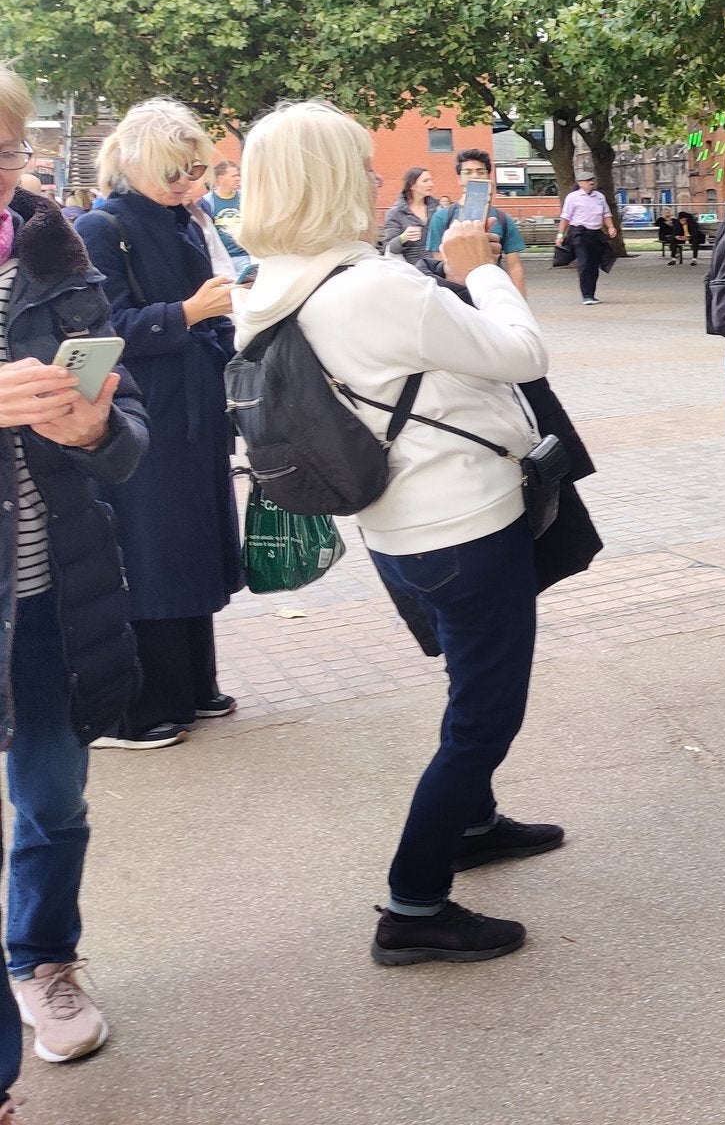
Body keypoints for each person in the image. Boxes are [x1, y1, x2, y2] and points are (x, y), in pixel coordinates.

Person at [233, 100, 560, 967]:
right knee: (483, 716)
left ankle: (474, 822)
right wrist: (479, 268)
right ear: (331, 182)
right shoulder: (373, 286)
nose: (379, 178)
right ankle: (414, 905)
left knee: (466, 680)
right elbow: (524, 352)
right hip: (464, 525)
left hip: (396, 531)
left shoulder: (266, 285)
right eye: (361, 166)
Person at [0, 66, 149, 1112]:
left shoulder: (58, 248)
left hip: (51, 593)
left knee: (55, 798)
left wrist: (94, 425)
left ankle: (43, 958)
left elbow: (124, 415)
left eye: (4, 152)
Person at [76, 100, 243, 751]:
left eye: (194, 168)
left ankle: (193, 685)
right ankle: (140, 705)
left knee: (193, 542)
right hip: (147, 410)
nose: (186, 181)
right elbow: (97, 329)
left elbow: (211, 305)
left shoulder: (185, 219)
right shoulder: (102, 225)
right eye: (174, 169)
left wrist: (218, 326)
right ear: (136, 161)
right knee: (152, 551)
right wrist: (186, 314)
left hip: (194, 406)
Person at [424, 149, 528, 297]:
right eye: (468, 172)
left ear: (488, 176)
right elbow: (439, 260)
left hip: (491, 292)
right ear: (459, 179)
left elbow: (514, 265)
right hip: (455, 293)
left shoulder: (503, 219)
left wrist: (521, 302)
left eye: (480, 171)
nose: (474, 176)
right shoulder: (442, 217)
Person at [555, 172, 615, 305]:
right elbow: (565, 217)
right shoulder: (573, 197)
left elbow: (606, 214)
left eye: (592, 180)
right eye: (587, 180)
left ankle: (591, 294)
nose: (591, 182)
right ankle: (586, 295)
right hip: (579, 233)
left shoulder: (599, 197)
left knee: (594, 264)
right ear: (580, 183)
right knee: (584, 263)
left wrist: (610, 227)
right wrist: (560, 235)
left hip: (595, 233)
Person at [380, 167, 437, 271]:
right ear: (412, 185)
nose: (431, 184)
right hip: (412, 269)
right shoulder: (395, 213)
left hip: (438, 265)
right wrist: (403, 238)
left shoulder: (437, 209)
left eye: (431, 180)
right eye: (425, 181)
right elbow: (388, 248)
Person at [200, 158, 250, 275]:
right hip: (222, 260)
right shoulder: (207, 202)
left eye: (238, 175)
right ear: (221, 178)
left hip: (244, 256)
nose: (238, 179)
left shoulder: (244, 199)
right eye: (234, 176)